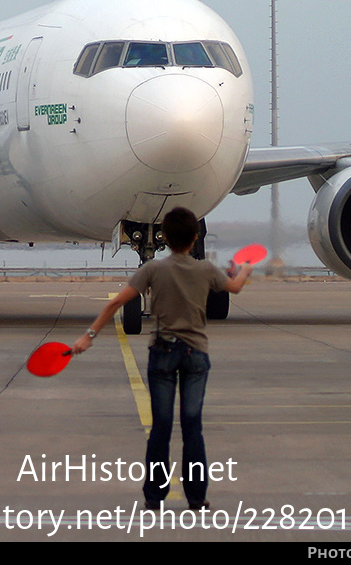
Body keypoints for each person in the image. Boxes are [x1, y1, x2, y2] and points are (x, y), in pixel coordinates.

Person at [71, 207, 252, 509]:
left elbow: (117, 302)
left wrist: (88, 336)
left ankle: (154, 496)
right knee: (193, 425)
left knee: (162, 426)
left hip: (164, 352)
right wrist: (243, 271)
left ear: (165, 238)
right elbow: (233, 287)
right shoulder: (206, 269)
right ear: (195, 238)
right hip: (196, 354)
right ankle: (196, 497)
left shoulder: (152, 270)